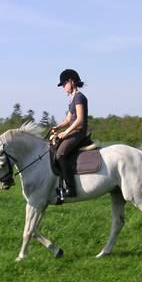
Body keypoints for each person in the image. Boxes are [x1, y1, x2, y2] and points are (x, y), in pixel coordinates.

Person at [51, 69, 88, 203]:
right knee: (55, 148)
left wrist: (65, 132)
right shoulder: (72, 98)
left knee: (60, 154)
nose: (63, 88)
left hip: (78, 132)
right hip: (73, 131)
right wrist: (57, 127)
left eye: (64, 84)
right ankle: (60, 185)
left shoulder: (79, 97)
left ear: (71, 82)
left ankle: (71, 189)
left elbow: (80, 120)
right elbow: (68, 120)